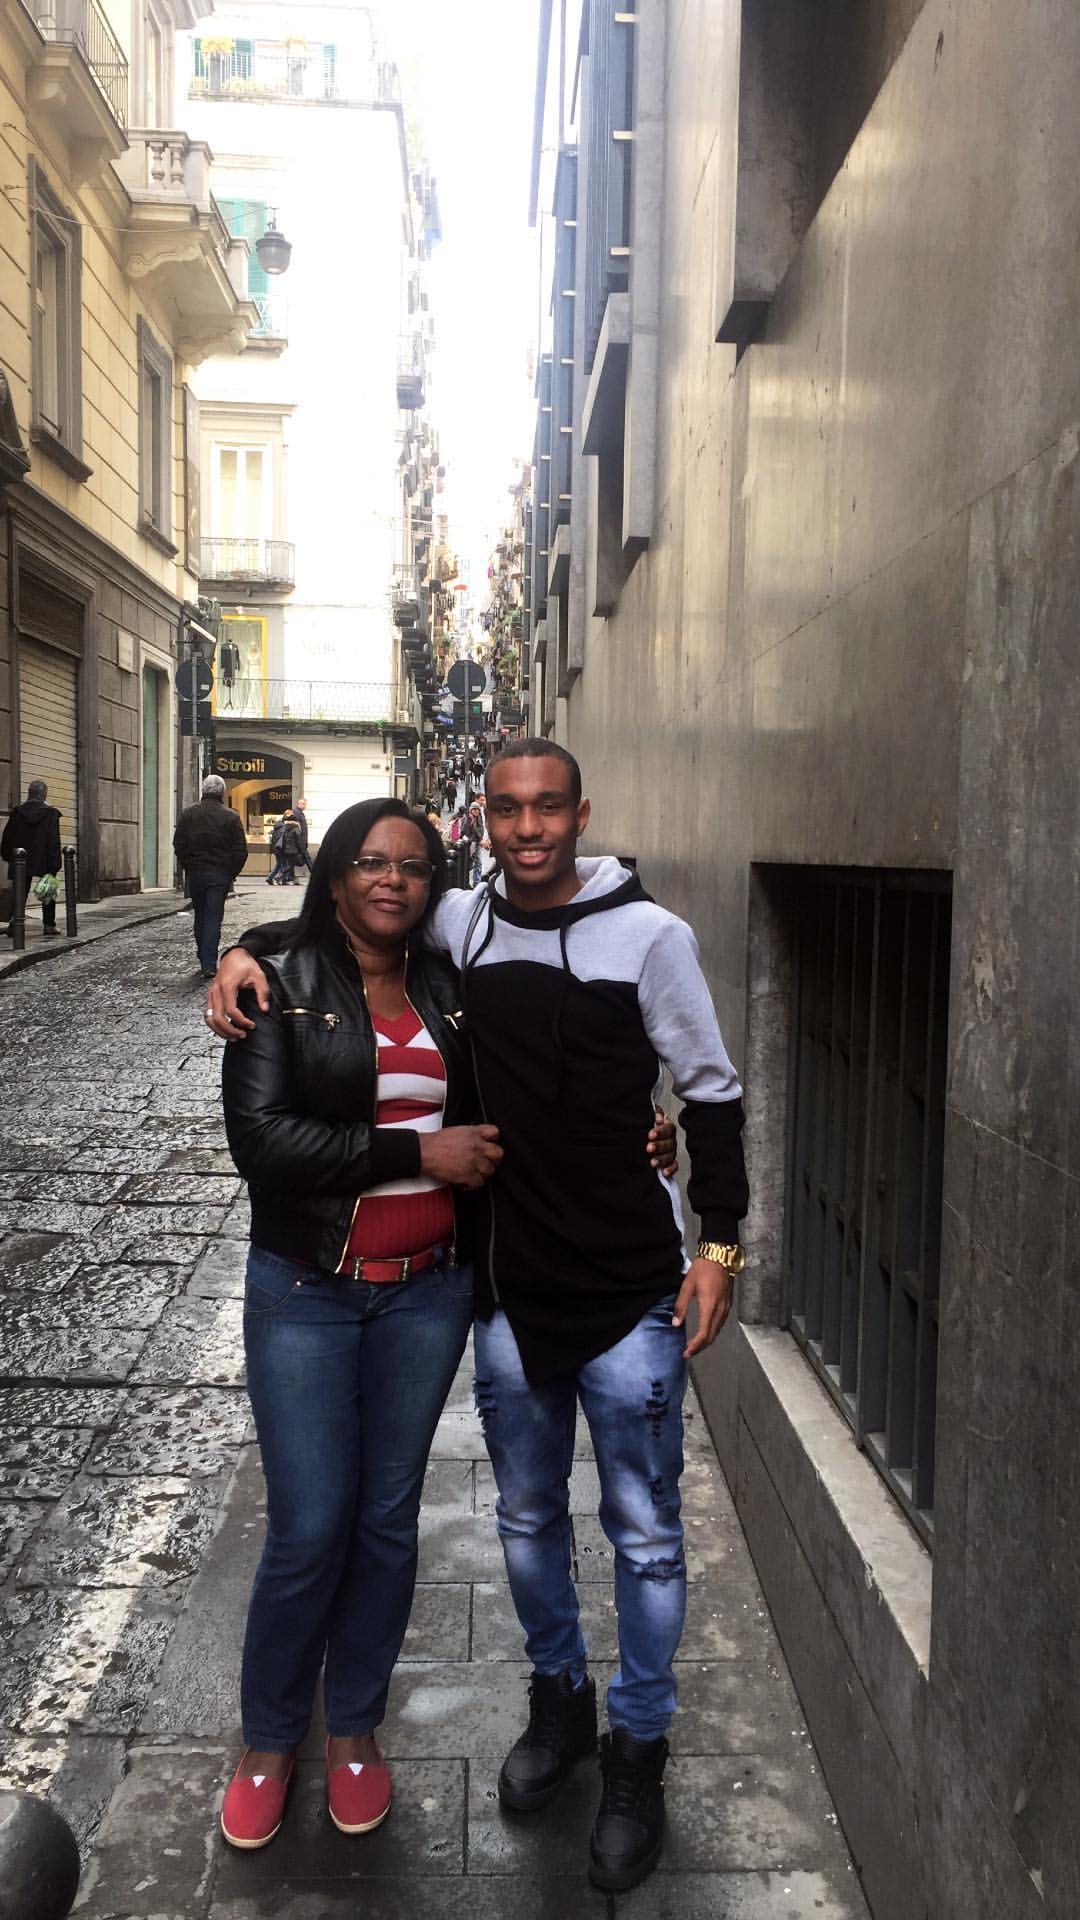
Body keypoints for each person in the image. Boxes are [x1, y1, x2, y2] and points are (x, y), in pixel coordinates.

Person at [205, 739, 748, 1893]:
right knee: (501, 1521)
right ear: (487, 824)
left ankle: (635, 1749)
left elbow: (705, 1091)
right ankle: (550, 1705)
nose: (528, 827)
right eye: (507, 809)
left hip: (604, 1293)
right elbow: (340, 936)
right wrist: (243, 951)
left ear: (582, 815)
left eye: (548, 808)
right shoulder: (459, 930)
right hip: (475, 1291)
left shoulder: (638, 937)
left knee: (636, 1536)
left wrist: (717, 1241)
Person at [217, 798, 503, 1851]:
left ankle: (353, 1728)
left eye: (414, 866)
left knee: (386, 1521)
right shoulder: (277, 982)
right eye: (372, 863)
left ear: (434, 883)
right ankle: (267, 1739)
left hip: (426, 1293)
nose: (394, 880)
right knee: (309, 1525)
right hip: (307, 1291)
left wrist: (640, 1132)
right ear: (336, 873)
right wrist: (415, 1154)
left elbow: (537, 1055)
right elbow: (263, 1143)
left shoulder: (452, 982)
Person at [173, 774, 247, 978]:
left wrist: (188, 865)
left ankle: (204, 958)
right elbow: (240, 850)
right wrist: (231, 872)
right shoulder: (231, 817)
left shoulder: (189, 814)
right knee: (213, 917)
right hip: (219, 874)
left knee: (201, 915)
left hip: (196, 873)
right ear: (222, 792)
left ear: (203, 790)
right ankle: (209, 963)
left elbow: (179, 844)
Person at [2, 778, 63, 938]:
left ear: (29, 794)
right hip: (44, 858)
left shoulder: (17, 812)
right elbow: (54, 840)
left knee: (20, 891)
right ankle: (49, 925)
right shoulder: (50, 814)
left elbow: (7, 837)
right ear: (44, 795)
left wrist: (8, 856)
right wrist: (56, 863)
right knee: (48, 889)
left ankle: (15, 923)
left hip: (21, 857)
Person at [266, 811, 304, 887]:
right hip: (287, 849)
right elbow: (296, 840)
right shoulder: (289, 827)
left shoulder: (281, 825)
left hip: (280, 848)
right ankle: (276, 878)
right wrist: (301, 850)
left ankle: (283, 879)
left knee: (282, 865)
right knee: (286, 865)